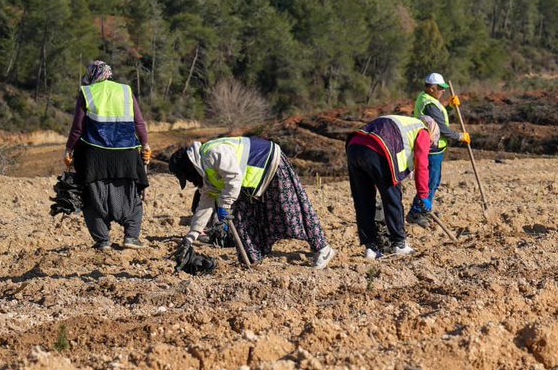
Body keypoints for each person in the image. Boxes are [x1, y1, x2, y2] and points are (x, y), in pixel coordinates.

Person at [168, 136, 335, 268]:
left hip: (269, 163)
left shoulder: (213, 152)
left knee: (290, 210)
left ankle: (323, 249)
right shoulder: (205, 175)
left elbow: (234, 177)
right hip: (249, 183)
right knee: (242, 219)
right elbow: (205, 205)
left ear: (190, 167)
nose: (190, 181)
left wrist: (225, 205)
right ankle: (252, 258)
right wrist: (190, 237)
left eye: (188, 177)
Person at [64, 60, 150, 251]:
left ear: (92, 76)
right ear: (109, 74)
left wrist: (69, 149)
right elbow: (139, 123)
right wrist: (145, 144)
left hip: (95, 155)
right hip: (126, 153)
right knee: (131, 194)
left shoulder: (87, 92)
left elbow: (78, 128)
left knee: (93, 197)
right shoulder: (125, 91)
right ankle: (131, 237)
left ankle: (103, 241)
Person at [345, 114, 438, 259]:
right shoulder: (423, 131)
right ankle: (400, 244)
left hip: (354, 146)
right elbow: (421, 165)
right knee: (392, 198)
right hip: (378, 150)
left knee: (363, 201)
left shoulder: (403, 122)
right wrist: (423, 195)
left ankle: (371, 248)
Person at [409, 72, 468, 227]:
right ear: (432, 88)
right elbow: (442, 128)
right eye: (440, 88)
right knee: (430, 182)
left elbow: (438, 119)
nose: (443, 91)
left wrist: (449, 106)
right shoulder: (429, 103)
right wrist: (460, 136)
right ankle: (417, 213)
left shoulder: (428, 99)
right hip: (431, 149)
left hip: (434, 147)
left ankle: (422, 211)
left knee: (433, 182)